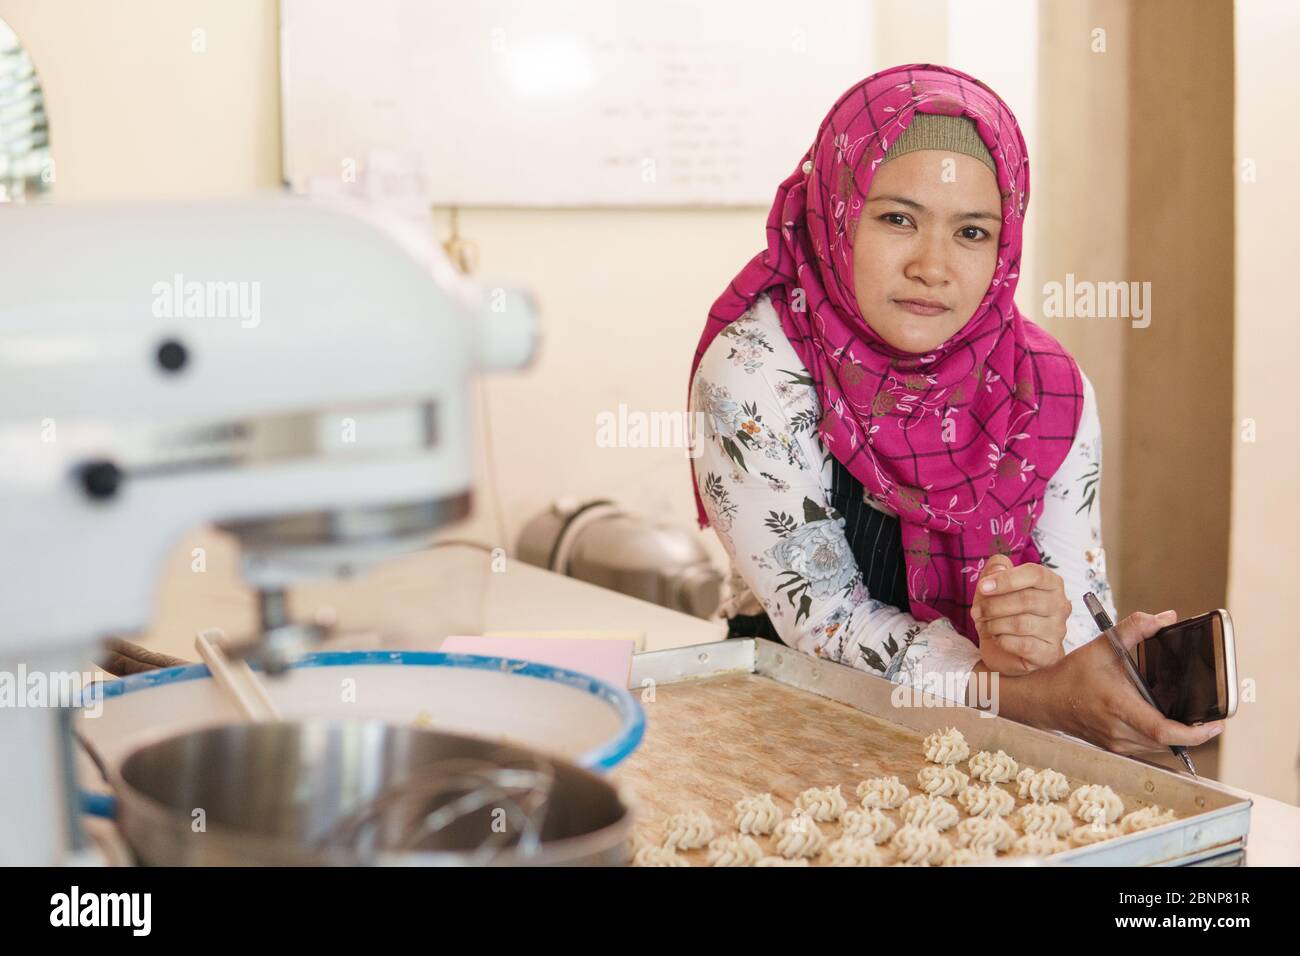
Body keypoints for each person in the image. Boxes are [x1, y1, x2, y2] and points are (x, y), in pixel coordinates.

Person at [687, 64, 1223, 755]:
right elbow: (824, 623)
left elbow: (1082, 600)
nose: (932, 267)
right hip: (792, 732)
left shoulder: (1049, 388)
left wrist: (1044, 630)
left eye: (972, 232)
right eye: (897, 219)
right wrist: (1025, 691)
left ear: (1005, 246)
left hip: (985, 754)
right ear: (837, 212)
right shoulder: (758, 369)